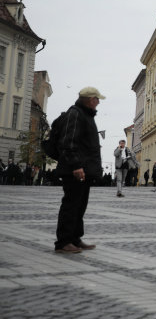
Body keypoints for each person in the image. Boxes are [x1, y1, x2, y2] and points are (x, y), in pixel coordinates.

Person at [53, 87, 105, 254]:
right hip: (75, 170)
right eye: (97, 100)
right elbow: (69, 143)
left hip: (84, 170)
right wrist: (76, 166)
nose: (98, 103)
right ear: (91, 100)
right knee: (71, 205)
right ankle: (63, 242)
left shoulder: (85, 115)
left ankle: (75, 238)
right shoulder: (75, 114)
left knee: (79, 206)